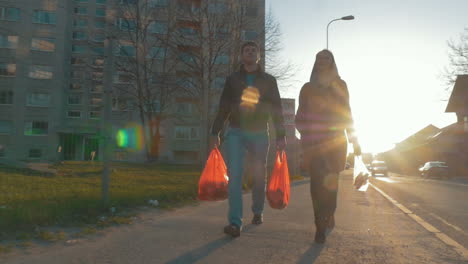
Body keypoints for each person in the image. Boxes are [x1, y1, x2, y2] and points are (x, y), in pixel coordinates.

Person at [210, 41, 286, 238]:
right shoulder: (233, 79)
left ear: (259, 56)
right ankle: (235, 223)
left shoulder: (269, 80)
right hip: (236, 131)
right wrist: (215, 131)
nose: (250, 52)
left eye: (254, 50)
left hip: (260, 132)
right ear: (242, 56)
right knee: (234, 177)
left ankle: (258, 210)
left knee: (259, 177)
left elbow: (277, 108)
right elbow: (224, 106)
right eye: (246, 50)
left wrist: (281, 135)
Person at [295, 49, 361, 243]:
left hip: (336, 142)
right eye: (319, 58)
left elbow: (346, 113)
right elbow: (300, 115)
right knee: (316, 185)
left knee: (331, 185)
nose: (322, 60)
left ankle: (329, 213)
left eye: (327, 58)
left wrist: (355, 140)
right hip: (314, 143)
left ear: (332, 62)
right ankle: (319, 224)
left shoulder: (341, 85)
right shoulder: (307, 88)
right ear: (315, 63)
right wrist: (306, 134)